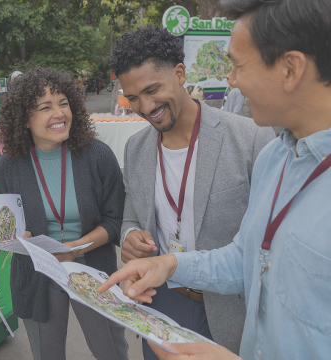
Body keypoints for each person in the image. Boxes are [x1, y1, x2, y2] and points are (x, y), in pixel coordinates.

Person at [99, 0, 331, 359]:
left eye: (238, 66)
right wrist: (168, 264)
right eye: (133, 98)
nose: (230, 81)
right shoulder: (277, 157)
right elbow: (247, 258)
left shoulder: (252, 141)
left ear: (290, 68)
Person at [109, 25, 275, 358]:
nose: (145, 106)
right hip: (160, 300)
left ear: (180, 73)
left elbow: (264, 249)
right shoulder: (136, 148)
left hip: (228, 309)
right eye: (134, 97)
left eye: (152, 89)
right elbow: (132, 214)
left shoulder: (251, 139)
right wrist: (129, 236)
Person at [0, 68, 129, 360]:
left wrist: (76, 248)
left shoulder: (97, 156)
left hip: (94, 270)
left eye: (64, 103)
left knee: (111, 352)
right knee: (47, 354)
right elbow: (7, 227)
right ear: (24, 119)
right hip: (38, 273)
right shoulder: (9, 167)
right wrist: (17, 238)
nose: (59, 113)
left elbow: (116, 220)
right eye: (45, 107)